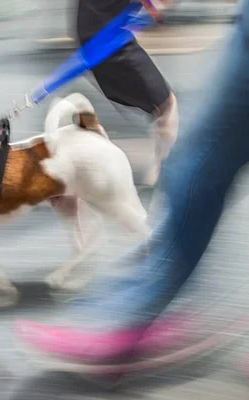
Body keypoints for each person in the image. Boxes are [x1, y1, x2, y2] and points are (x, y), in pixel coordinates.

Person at [14, 0, 249, 370]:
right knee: (200, 158)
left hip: (106, 36)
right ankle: (127, 309)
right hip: (110, 37)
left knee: (200, 156)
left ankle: (125, 312)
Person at [77, 0, 179, 186]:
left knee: (158, 107)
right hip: (110, 44)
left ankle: (160, 169)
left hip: (93, 42)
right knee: (167, 106)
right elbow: (158, 8)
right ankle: (164, 174)